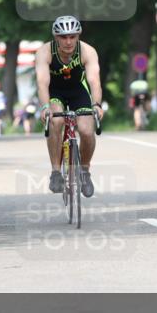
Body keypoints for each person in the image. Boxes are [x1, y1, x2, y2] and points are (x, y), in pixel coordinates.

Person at [35, 15, 104, 197]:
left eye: (72, 36)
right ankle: (56, 172)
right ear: (56, 38)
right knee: (56, 121)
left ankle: (85, 171)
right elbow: (42, 83)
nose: (68, 41)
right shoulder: (45, 52)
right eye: (63, 37)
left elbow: (94, 81)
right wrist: (44, 107)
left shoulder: (88, 51)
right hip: (55, 92)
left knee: (87, 130)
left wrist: (96, 105)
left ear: (78, 36)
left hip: (78, 91)